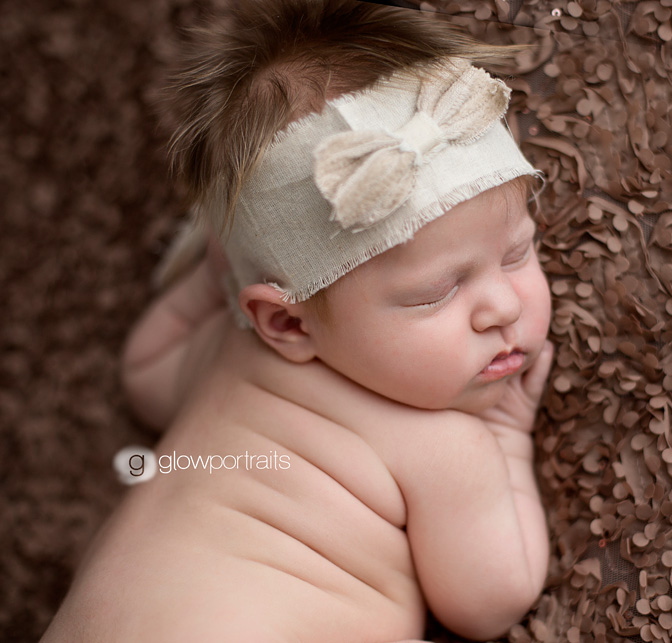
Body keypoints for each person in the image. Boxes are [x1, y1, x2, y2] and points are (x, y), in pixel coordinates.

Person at [41, 1, 553, 641]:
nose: (503, 307)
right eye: (433, 294)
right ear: (287, 325)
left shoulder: (225, 355)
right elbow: (492, 601)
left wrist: (212, 275)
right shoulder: (442, 443)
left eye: (517, 252)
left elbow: (142, 373)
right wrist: (507, 438)